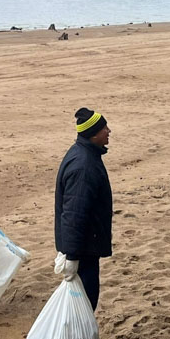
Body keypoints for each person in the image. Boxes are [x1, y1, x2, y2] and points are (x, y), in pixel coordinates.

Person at [55, 107, 113, 313]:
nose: (109, 131)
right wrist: (71, 256)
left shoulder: (85, 155)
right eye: (104, 128)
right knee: (83, 306)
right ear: (94, 134)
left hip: (85, 246)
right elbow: (74, 214)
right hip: (83, 250)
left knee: (84, 304)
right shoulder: (84, 166)